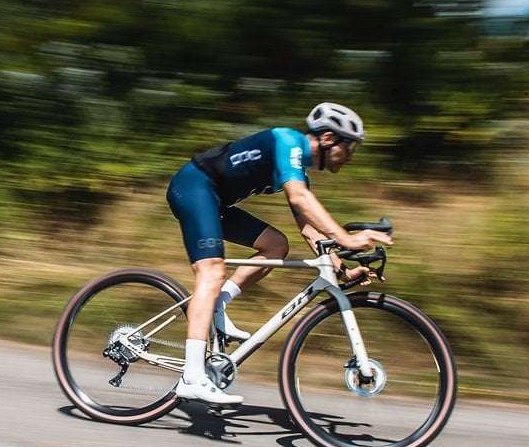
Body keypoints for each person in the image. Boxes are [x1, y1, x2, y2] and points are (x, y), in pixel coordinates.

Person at [165, 102, 394, 405]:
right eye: (349, 146)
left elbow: (312, 234)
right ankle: (192, 378)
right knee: (212, 271)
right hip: (193, 186)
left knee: (276, 245)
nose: (350, 155)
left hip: (214, 200)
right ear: (327, 138)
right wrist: (347, 239)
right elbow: (298, 197)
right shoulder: (287, 141)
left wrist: (341, 268)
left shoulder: (297, 169)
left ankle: (218, 304)